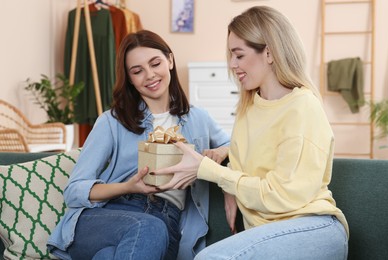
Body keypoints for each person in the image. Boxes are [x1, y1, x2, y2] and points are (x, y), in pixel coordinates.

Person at [153, 6, 349, 260]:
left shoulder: (302, 107)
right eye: (231, 56)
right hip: (268, 232)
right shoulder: (249, 107)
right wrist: (228, 181)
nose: (232, 65)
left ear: (268, 52)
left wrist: (209, 170)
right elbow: (244, 161)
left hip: (312, 227)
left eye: (239, 55)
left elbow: (282, 197)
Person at [47, 30, 230, 260]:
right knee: (148, 228)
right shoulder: (112, 121)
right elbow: (74, 190)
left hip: (167, 223)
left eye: (155, 63)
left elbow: (234, 143)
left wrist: (219, 151)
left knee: (109, 256)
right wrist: (129, 187)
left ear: (170, 60)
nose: (150, 75)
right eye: (137, 71)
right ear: (130, 78)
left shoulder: (198, 118)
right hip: (110, 215)